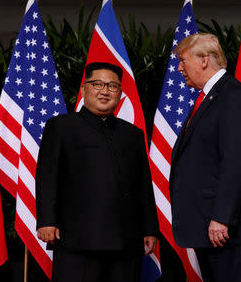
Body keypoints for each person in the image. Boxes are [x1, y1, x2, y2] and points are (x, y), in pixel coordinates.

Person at [36, 62, 159, 282]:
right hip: (77, 239)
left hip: (125, 240)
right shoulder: (61, 126)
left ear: (120, 94)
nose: (105, 91)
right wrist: (46, 220)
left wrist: (150, 228)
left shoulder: (132, 134)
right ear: (84, 89)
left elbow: (143, 185)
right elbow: (47, 176)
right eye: (97, 84)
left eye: (112, 86)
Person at [169, 33, 241, 282]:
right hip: (209, 226)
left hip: (224, 229)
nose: (179, 67)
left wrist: (221, 217)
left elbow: (236, 163)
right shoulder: (209, 97)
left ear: (203, 60)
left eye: (183, 60)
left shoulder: (233, 96)